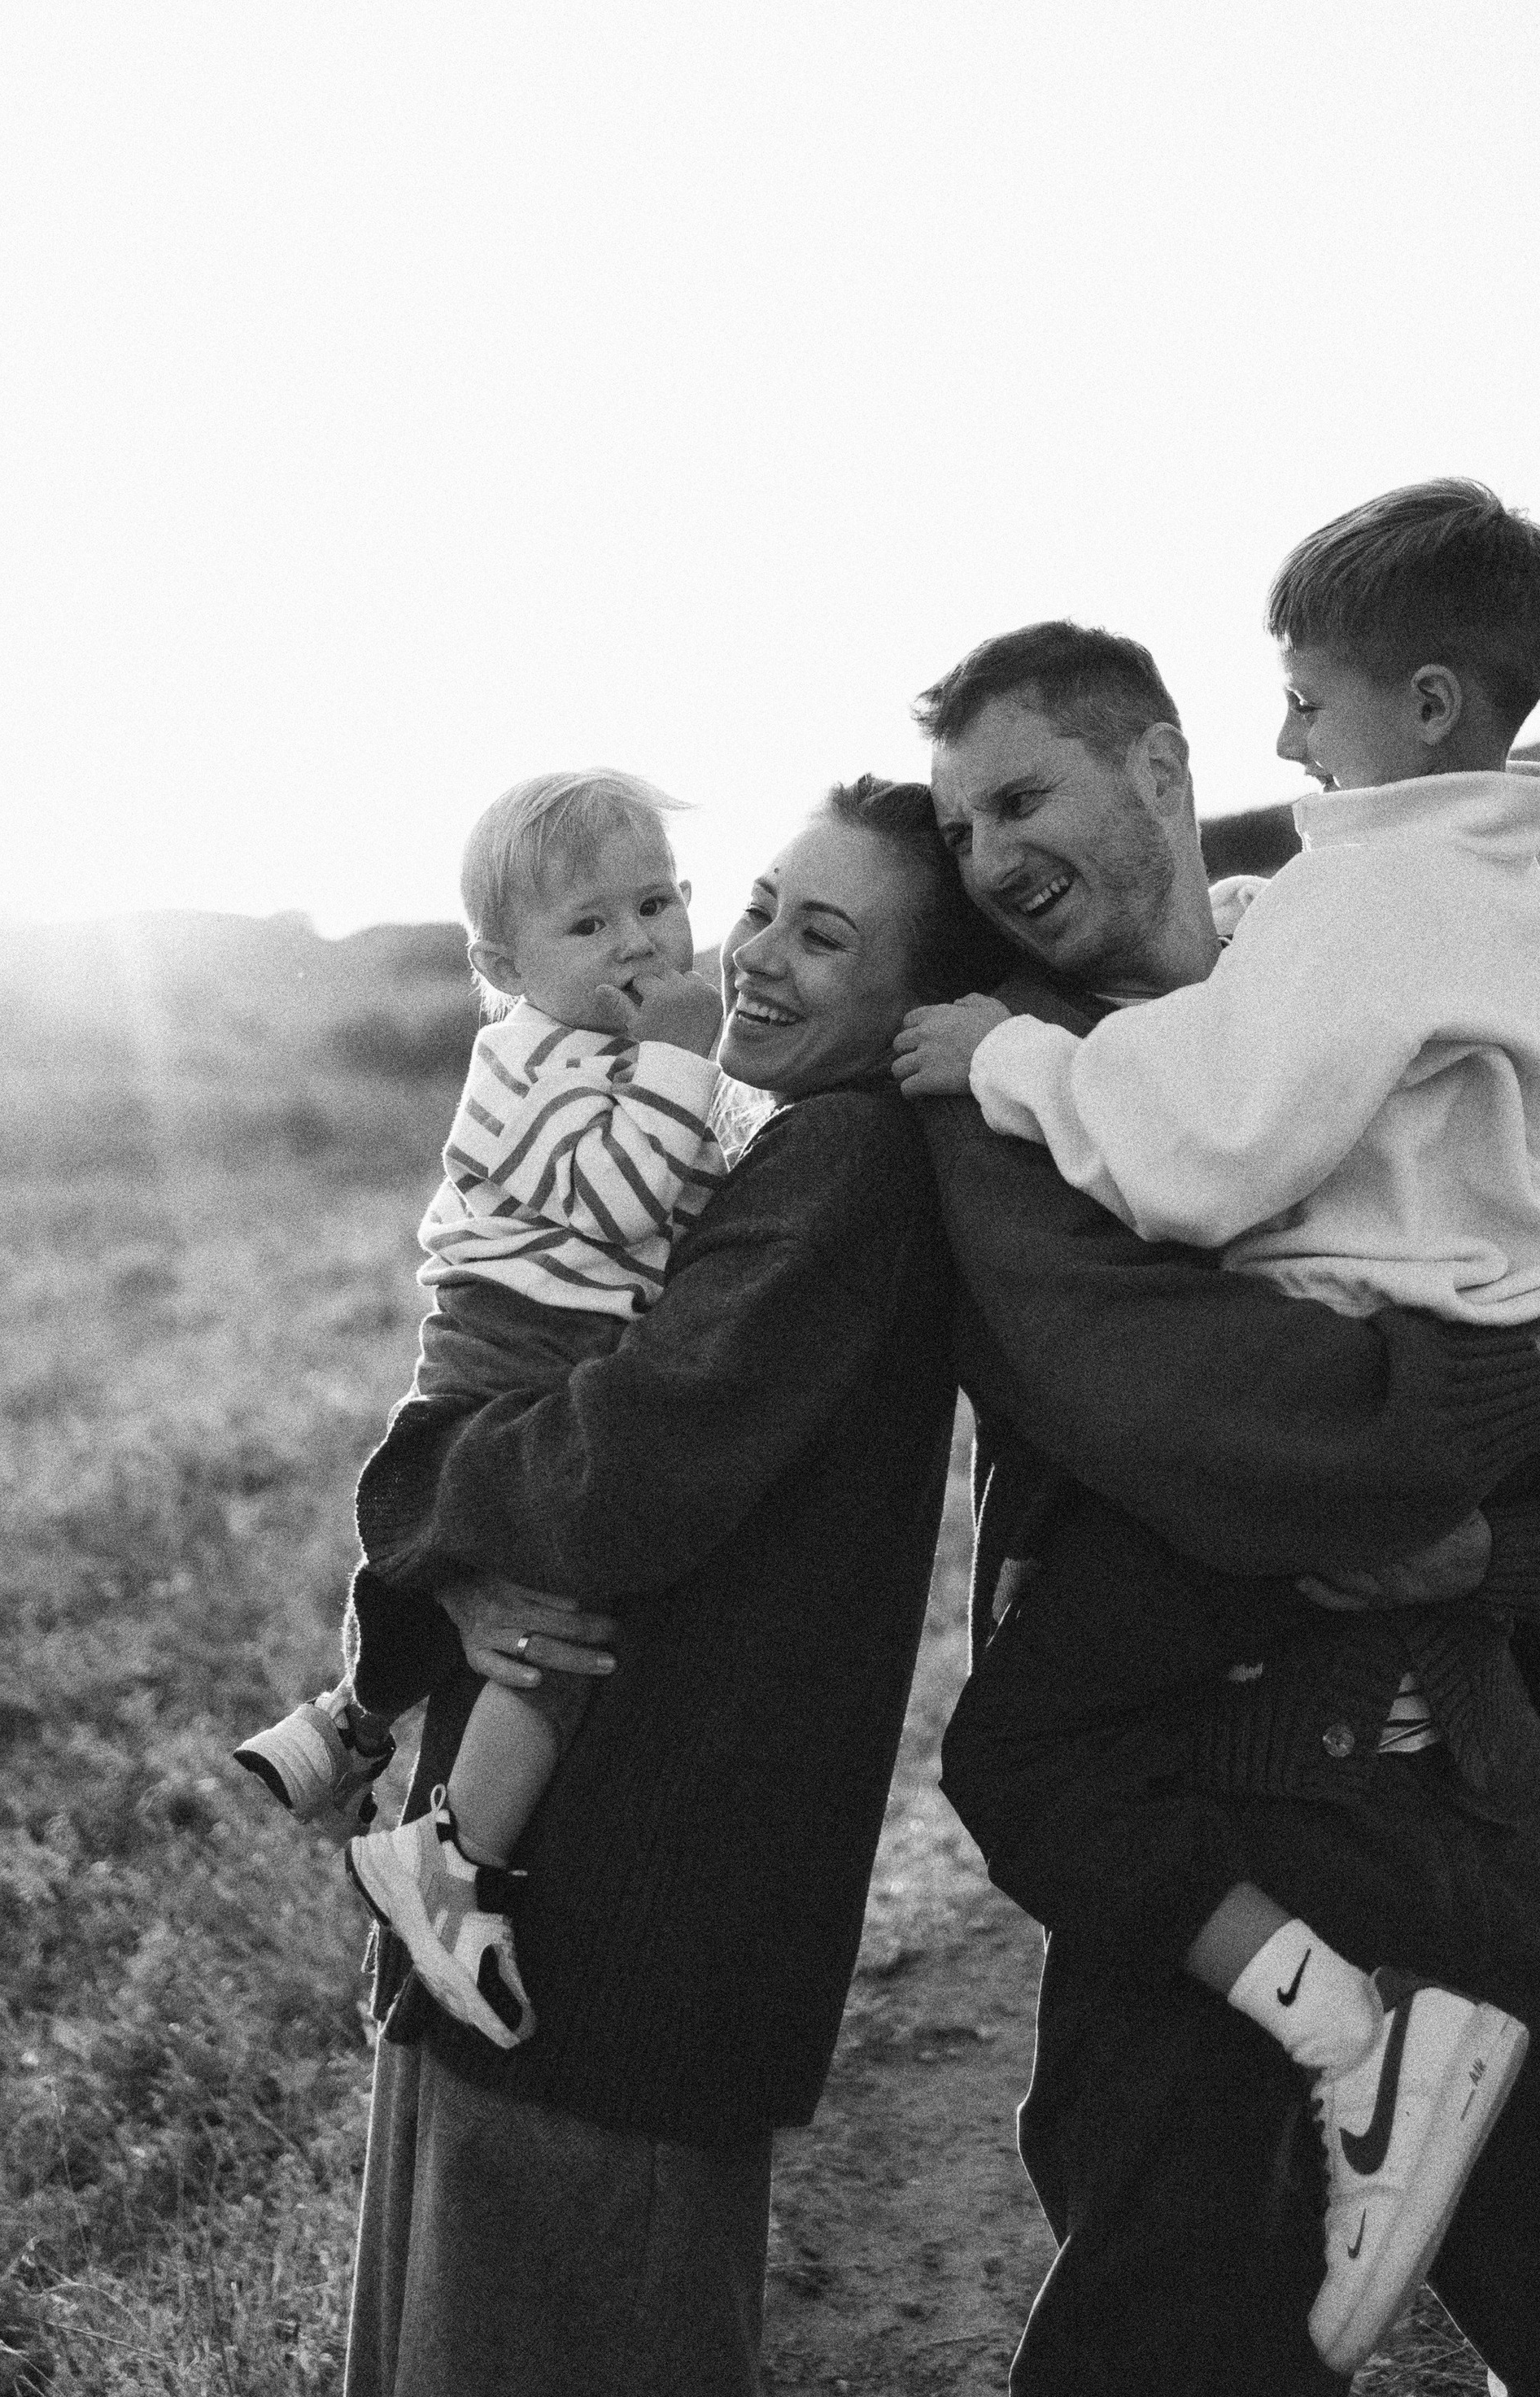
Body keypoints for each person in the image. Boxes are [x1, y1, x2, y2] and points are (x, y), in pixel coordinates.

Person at [903, 612, 1540, 2395]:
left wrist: (1495, 1536)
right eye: (959, 828)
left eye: (1019, 796)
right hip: (1211, 1794)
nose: (988, 857)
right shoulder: (1010, 1087)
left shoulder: (1352, 972)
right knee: (1180, 2339)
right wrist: (1494, 1398)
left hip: (1467, 1749)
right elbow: (1204, 1430)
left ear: (1155, 766)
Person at [338, 776, 1012, 2397]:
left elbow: (613, 1473)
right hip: (569, 1893)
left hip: (624, 1925)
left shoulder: (836, 1164)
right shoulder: (765, 1144)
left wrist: (429, 1503)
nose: (757, 958)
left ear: (911, 1002)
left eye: (825, 938)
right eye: (762, 905)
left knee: (551, 2334)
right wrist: (459, 1559)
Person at [236, 767, 731, 2046]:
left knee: (524, 1599)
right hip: (514, 1353)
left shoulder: (625, 1057)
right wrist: (684, 1057)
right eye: (590, 923)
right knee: (559, 1614)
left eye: (658, 902)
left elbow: (709, 1167)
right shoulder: (524, 1063)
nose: (640, 940)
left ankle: (344, 1731)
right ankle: (450, 1861)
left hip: (552, 1355)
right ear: (502, 965)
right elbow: (624, 1199)